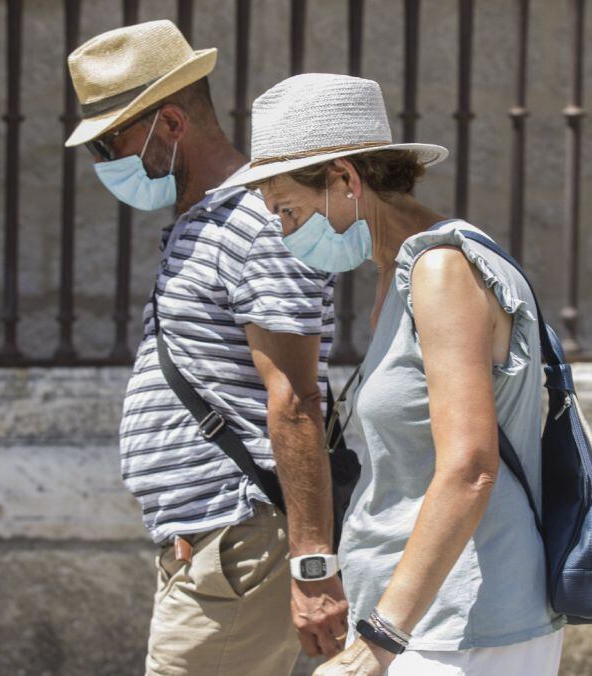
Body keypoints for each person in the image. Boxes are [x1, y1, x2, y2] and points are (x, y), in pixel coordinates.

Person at [211, 73, 566, 675]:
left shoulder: (441, 269)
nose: (285, 232)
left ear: (346, 180)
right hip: (425, 615)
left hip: (462, 622)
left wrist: (380, 639)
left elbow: (469, 469)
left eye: (290, 210)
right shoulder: (399, 274)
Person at [65, 22, 349, 675]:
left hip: (241, 537)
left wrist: (312, 564)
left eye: (111, 142)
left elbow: (297, 397)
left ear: (169, 124)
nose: (104, 162)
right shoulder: (211, 224)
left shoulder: (252, 223)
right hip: (219, 546)